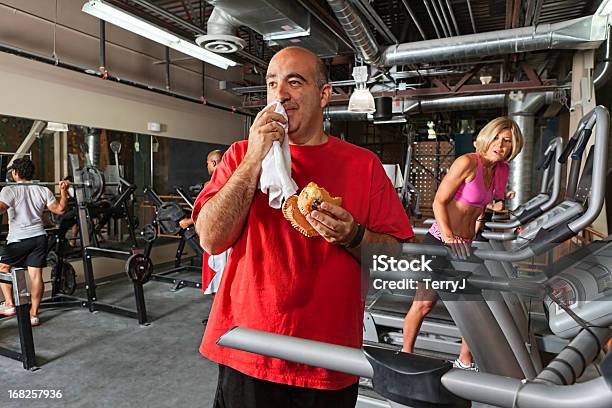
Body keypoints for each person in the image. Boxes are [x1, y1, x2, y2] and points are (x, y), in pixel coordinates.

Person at [192, 46, 413, 407]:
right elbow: (211, 240)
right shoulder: (239, 156)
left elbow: (395, 260)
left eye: (294, 82)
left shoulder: (364, 166)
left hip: (328, 362)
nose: (280, 94)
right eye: (272, 84)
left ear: (324, 95)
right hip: (250, 350)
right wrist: (253, 160)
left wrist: (353, 235)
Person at [402, 117, 523, 370]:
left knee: (474, 307)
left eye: (507, 142)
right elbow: (439, 202)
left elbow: (491, 203)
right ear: (487, 137)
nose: (500, 145)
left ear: (513, 147)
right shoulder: (467, 162)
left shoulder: (501, 170)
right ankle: (406, 354)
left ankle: (465, 360)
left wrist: (514, 219)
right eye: (497, 138)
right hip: (439, 240)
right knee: (424, 304)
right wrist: (447, 236)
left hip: (466, 244)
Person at [0, 158, 70, 326]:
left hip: (19, 239)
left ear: (15, 173)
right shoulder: (42, 190)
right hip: (39, 238)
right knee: (35, 275)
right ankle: (34, 314)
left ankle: (9, 304)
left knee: (3, 268)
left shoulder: (9, 190)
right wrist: (64, 191)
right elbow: (60, 210)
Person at [178, 149, 223, 231]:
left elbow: (213, 211)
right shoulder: (228, 179)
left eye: (207, 163)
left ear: (213, 163)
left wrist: (188, 222)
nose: (207, 166)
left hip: (217, 230)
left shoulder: (216, 184)